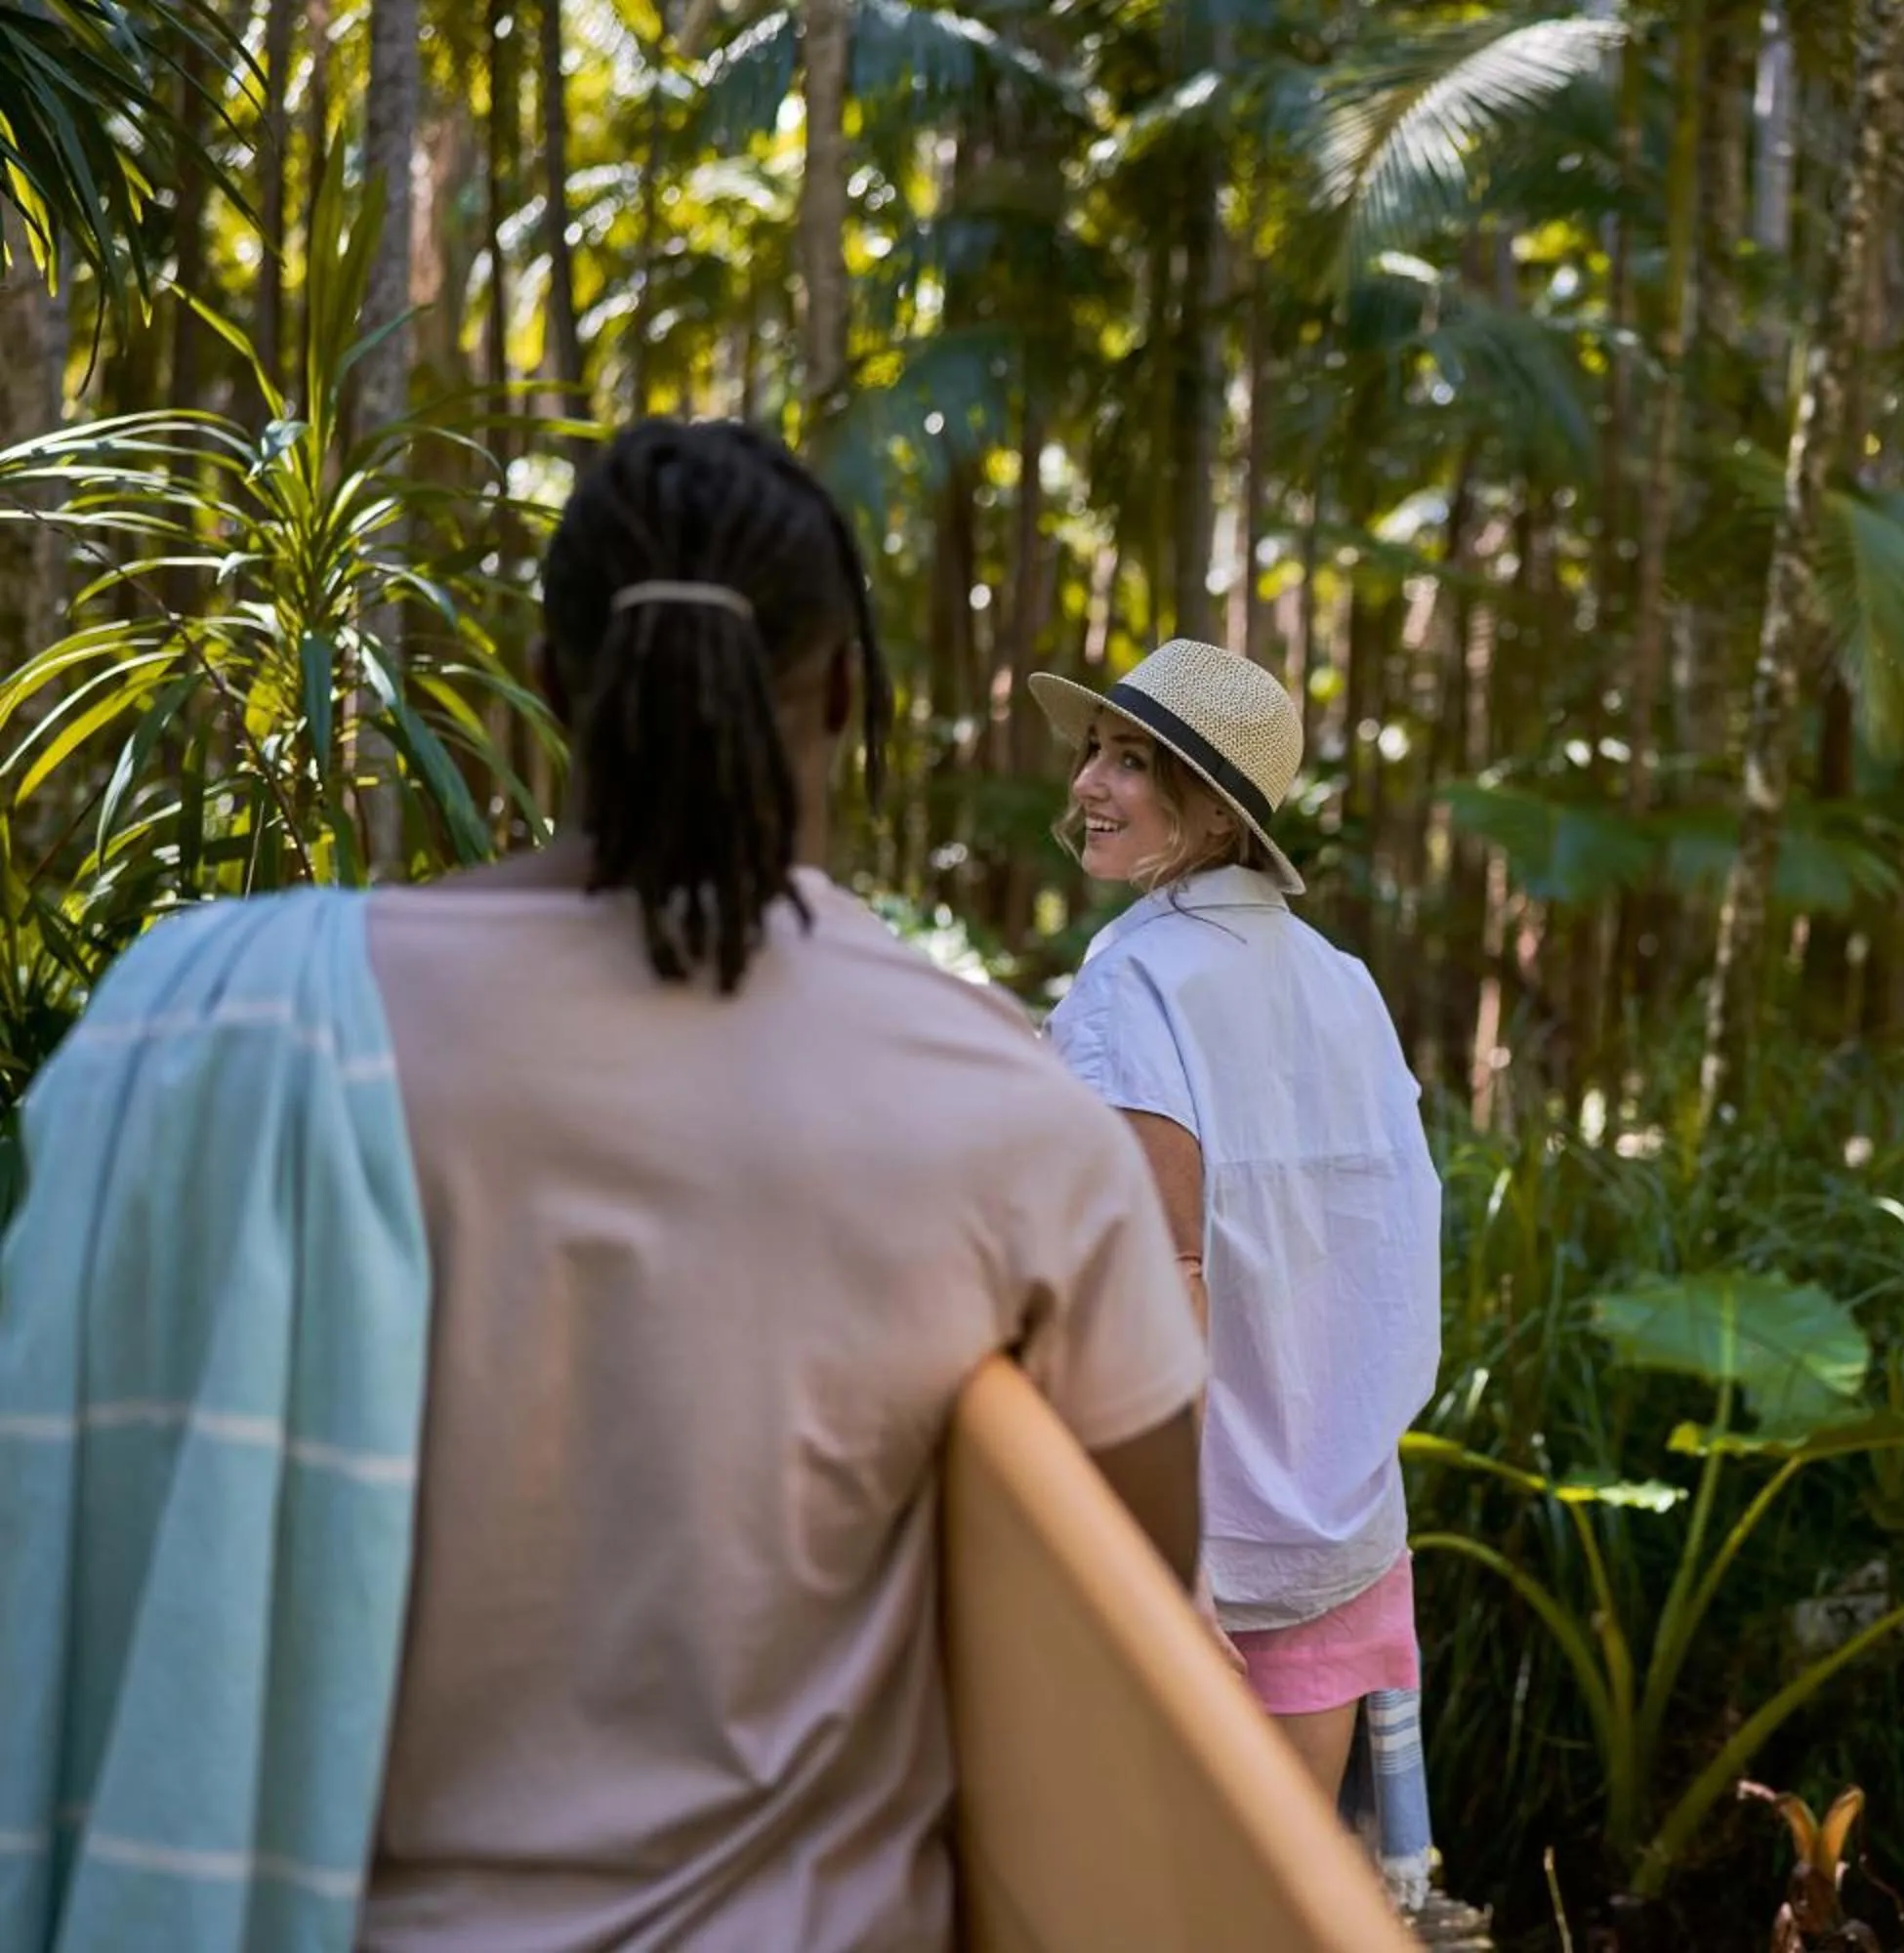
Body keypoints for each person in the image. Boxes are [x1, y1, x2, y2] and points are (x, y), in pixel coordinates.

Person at [0, 415, 1207, 1953]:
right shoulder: (1001, 1112)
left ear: (561, 687)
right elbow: (1125, 1640)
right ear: (842, 695)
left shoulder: (227, 1024)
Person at [1028, 640, 1443, 1836]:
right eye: (1095, 753)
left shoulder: (1134, 980)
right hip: (1343, 1516)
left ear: (1212, 811)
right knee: (1276, 1894)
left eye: (1132, 762)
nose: (1089, 787)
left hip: (1192, 1533)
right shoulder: (1342, 981)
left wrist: (1177, 1555)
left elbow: (1162, 1274)